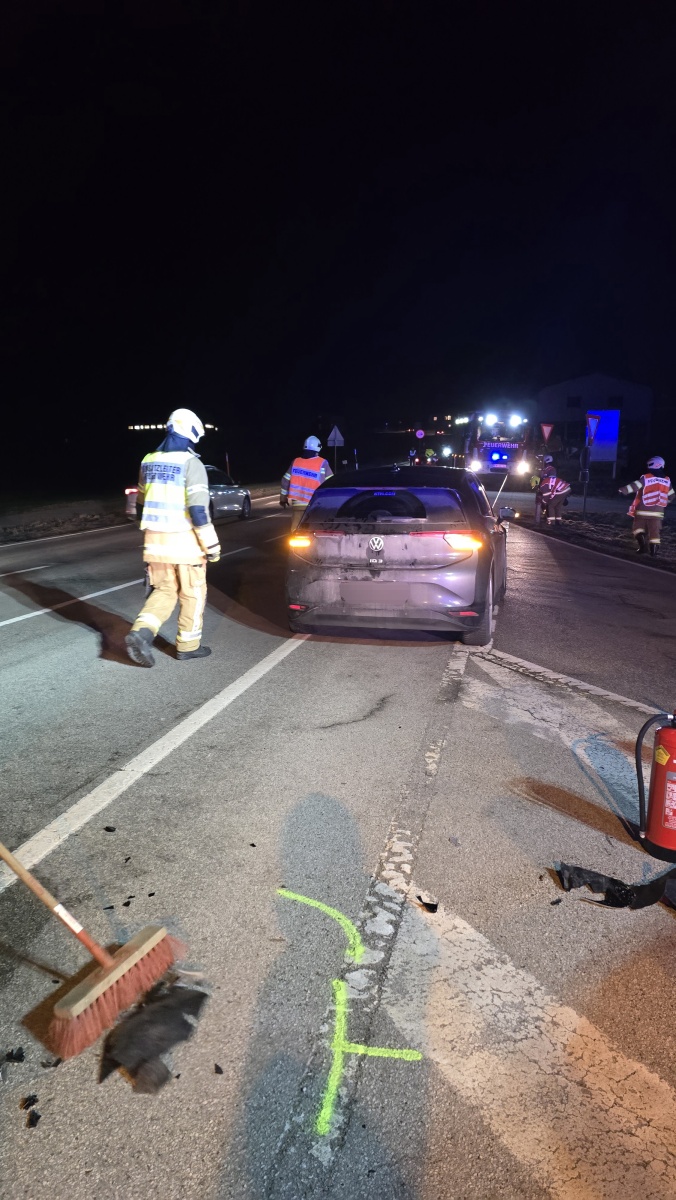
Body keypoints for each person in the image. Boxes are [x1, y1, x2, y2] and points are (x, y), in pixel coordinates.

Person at [125, 408, 221, 667]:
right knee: (193, 593)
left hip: (155, 544)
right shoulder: (191, 463)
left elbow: (141, 502)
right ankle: (188, 646)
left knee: (164, 591)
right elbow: (198, 511)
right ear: (191, 433)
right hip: (186, 546)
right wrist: (212, 546)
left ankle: (142, 633)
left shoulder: (148, 460)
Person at [619, 456, 674, 555]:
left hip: (642, 511)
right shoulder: (667, 481)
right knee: (654, 532)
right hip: (658, 513)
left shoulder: (646, 478)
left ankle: (643, 548)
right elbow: (672, 496)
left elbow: (634, 486)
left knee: (638, 529)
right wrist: (664, 503)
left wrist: (623, 490)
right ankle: (653, 552)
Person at [280, 435, 333, 530]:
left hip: (298, 504)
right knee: (317, 529)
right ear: (318, 448)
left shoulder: (295, 462)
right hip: (316, 504)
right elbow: (331, 482)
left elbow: (285, 480)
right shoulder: (323, 463)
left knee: (296, 529)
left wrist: (283, 498)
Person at [537, 457, 571, 525]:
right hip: (564, 488)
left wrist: (543, 502)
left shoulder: (546, 481)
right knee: (558, 506)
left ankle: (552, 523)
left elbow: (547, 496)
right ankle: (558, 522)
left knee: (550, 505)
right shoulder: (546, 471)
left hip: (559, 490)